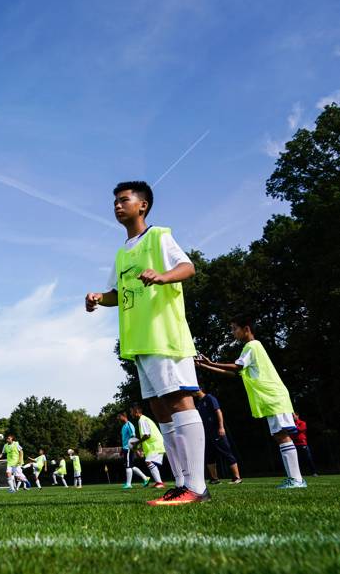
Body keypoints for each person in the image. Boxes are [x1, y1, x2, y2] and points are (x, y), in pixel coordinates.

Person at [86, 181, 208, 505]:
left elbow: (187, 267)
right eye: (114, 201)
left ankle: (197, 486)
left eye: (123, 200)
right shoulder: (122, 252)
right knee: (160, 408)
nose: (117, 205)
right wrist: (100, 298)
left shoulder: (159, 236)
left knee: (180, 400)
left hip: (163, 334)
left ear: (142, 206)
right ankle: (181, 483)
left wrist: (163, 276)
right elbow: (116, 293)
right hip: (139, 341)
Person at [196, 315, 306, 488]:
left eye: (234, 328)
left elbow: (237, 367)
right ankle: (295, 478)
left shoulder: (252, 346)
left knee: (282, 436)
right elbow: (235, 374)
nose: (233, 333)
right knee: (280, 435)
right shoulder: (253, 348)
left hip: (273, 397)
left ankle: (297, 479)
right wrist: (206, 366)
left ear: (246, 329)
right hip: (273, 398)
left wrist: (211, 362)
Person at [193, 390, 242, 484]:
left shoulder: (209, 398)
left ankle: (237, 478)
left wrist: (221, 427)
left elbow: (218, 411)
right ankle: (214, 479)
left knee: (226, 452)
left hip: (216, 431)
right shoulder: (198, 403)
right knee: (209, 455)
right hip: (206, 433)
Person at [131, 403, 167, 489]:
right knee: (149, 462)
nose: (130, 413)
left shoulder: (142, 420)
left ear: (136, 411)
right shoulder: (144, 419)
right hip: (155, 445)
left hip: (155, 445)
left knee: (149, 462)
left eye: (131, 411)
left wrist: (136, 443)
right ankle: (159, 482)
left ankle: (159, 483)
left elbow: (147, 435)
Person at [118, 412, 149, 489]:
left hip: (128, 448)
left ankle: (128, 484)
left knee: (128, 466)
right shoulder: (123, 426)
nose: (117, 419)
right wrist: (122, 449)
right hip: (125, 449)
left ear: (123, 416)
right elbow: (124, 439)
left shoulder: (129, 425)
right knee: (131, 466)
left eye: (119, 417)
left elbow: (133, 437)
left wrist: (136, 450)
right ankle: (145, 478)